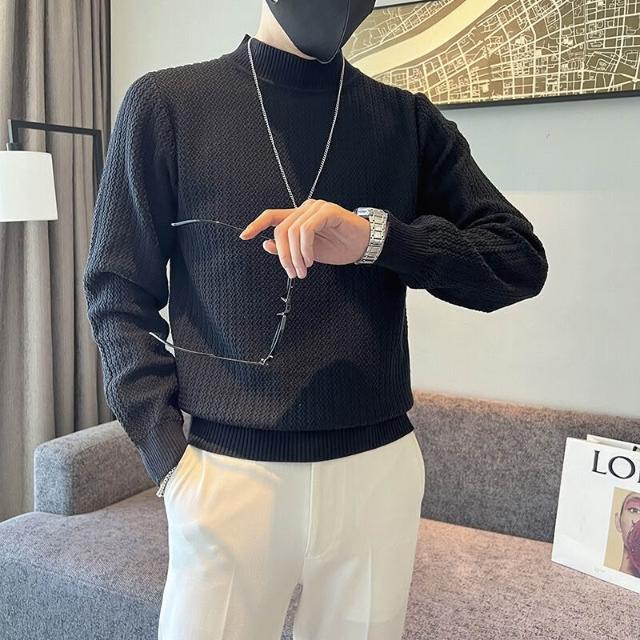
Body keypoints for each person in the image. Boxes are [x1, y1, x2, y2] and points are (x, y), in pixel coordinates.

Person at [82, 1, 549, 638]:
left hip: (376, 479)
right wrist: (167, 458)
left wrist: (377, 239)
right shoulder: (167, 105)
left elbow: (518, 260)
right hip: (227, 474)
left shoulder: (404, 120)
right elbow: (116, 291)